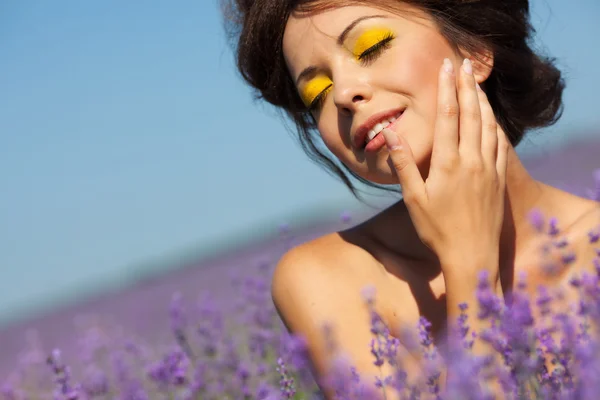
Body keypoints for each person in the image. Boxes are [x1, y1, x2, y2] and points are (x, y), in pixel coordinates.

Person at [222, 0, 600, 397]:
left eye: (371, 47)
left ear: (475, 46)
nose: (344, 94)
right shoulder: (329, 280)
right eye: (318, 92)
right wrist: (469, 266)